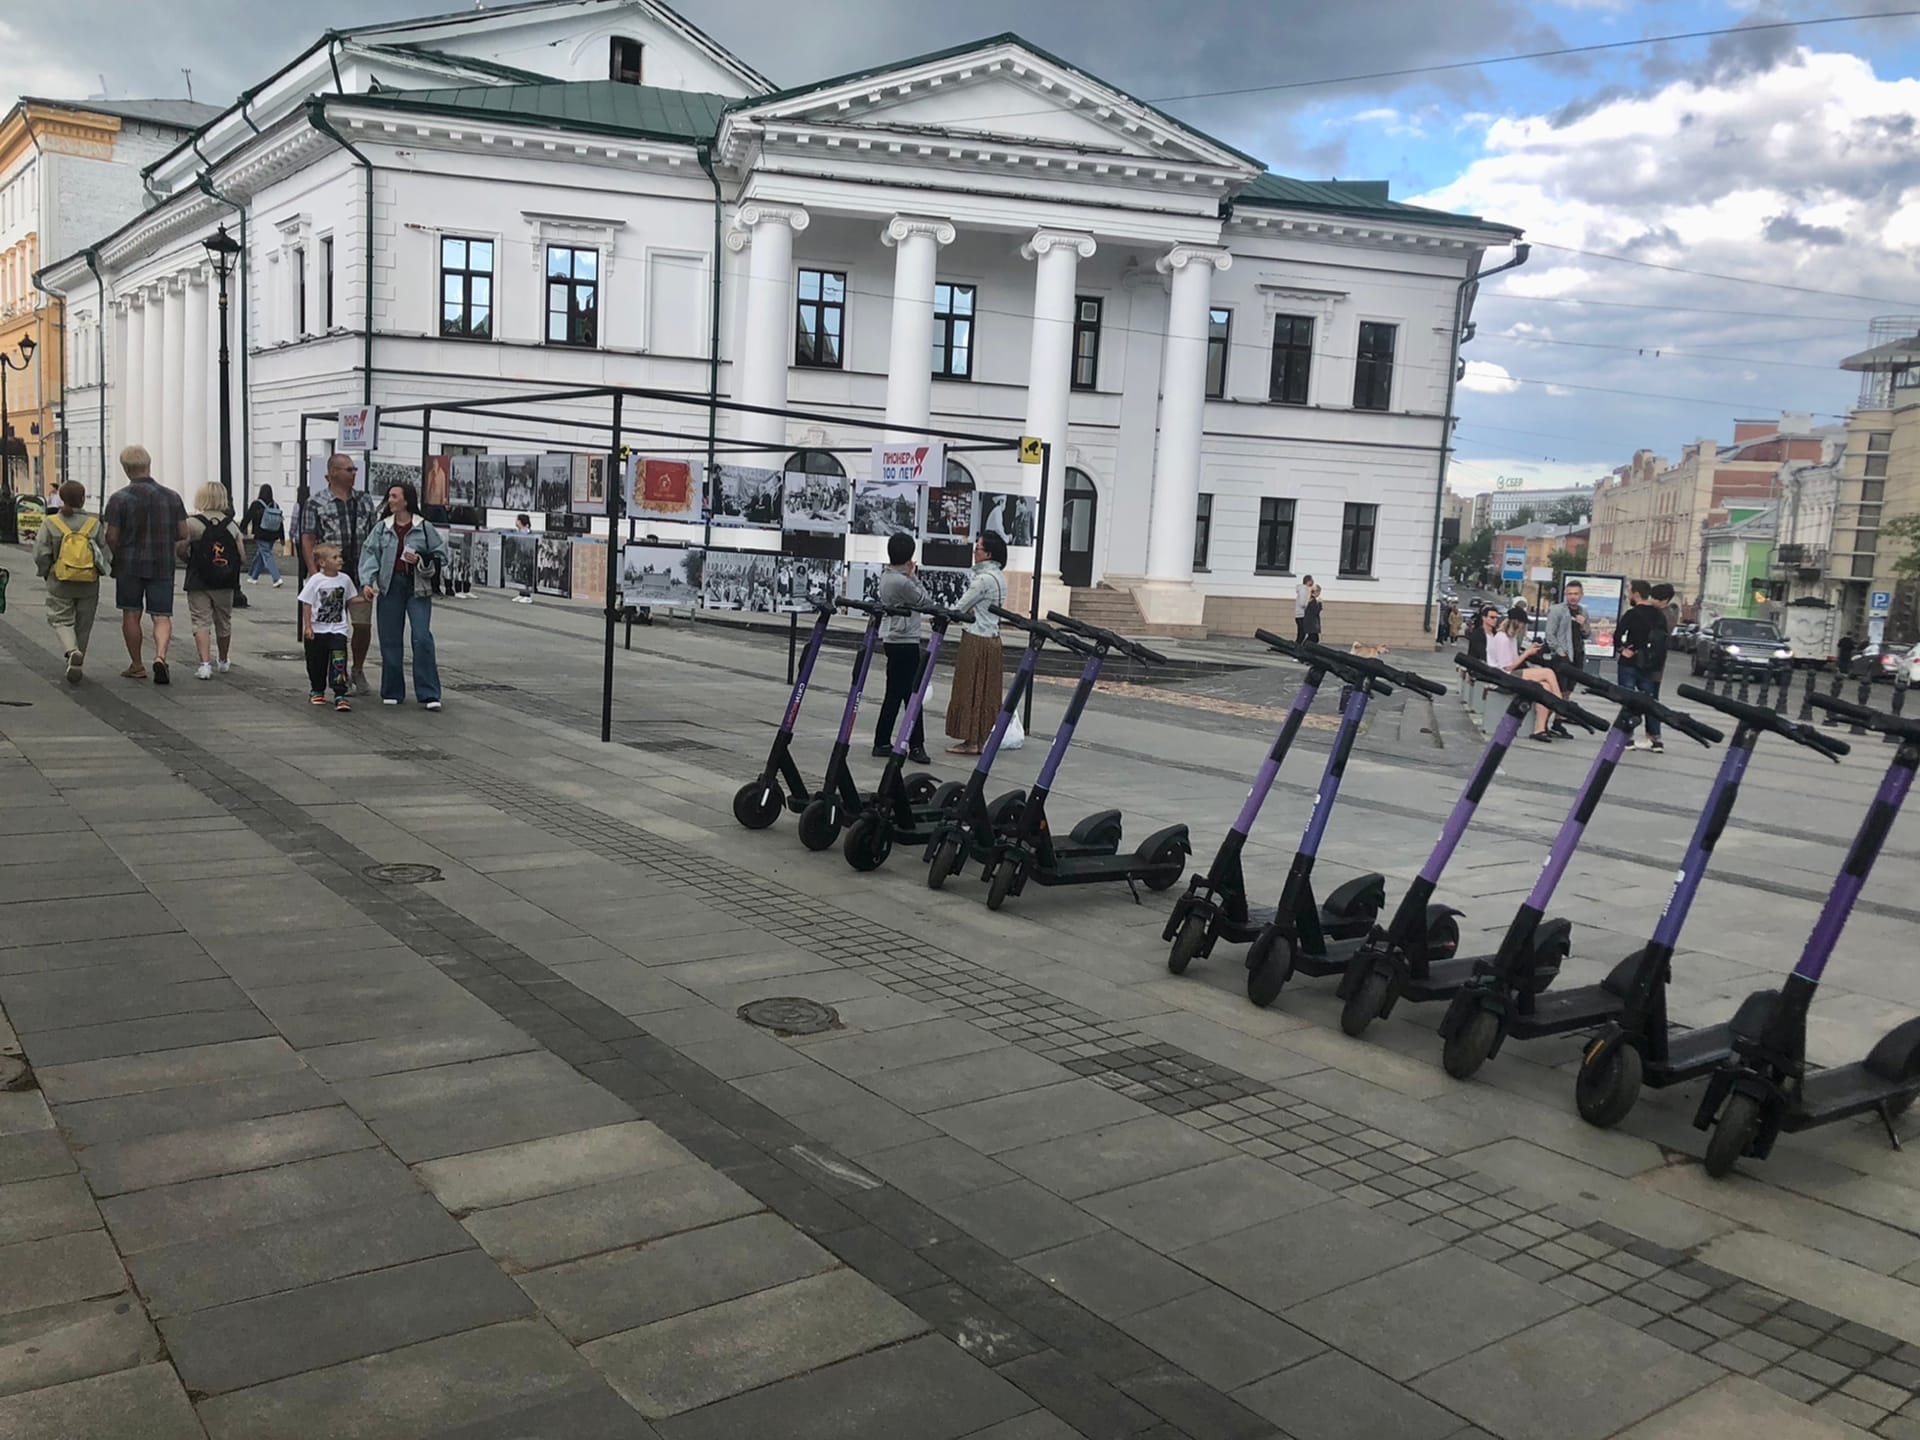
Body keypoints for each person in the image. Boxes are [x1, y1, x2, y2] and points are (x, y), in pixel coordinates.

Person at [103, 444, 190, 685]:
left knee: (131, 613)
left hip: (129, 564)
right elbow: (183, 532)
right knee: (161, 615)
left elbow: (111, 536)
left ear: (125, 469)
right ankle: (160, 657)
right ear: (148, 466)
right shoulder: (172, 497)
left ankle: (137, 665)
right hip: (162, 562)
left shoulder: (118, 499)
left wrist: (118, 552)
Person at [359, 479, 447, 709]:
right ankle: (392, 691)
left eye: (394, 496)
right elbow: (370, 554)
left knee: (422, 637)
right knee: (390, 639)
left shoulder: (423, 527)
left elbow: (441, 554)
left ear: (406, 500)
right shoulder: (382, 528)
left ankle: (429, 693)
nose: (390, 500)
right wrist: (367, 582)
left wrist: (420, 560)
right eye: (389, 496)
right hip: (390, 586)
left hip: (417, 587)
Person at [301, 453, 382, 694]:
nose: (354, 473)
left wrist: (373, 571)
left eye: (354, 469)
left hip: (359, 573)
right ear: (333, 473)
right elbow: (308, 537)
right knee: (331, 628)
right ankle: (336, 673)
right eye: (349, 469)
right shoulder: (316, 502)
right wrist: (315, 573)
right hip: (330, 575)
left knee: (362, 625)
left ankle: (357, 669)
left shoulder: (364, 500)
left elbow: (374, 536)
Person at [32, 480, 113, 685]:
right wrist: (102, 570)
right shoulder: (93, 524)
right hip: (88, 582)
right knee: (84, 624)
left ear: (61, 498)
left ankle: (71, 650)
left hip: (60, 580)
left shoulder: (51, 522)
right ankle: (78, 660)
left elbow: (41, 553)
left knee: (60, 618)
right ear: (83, 499)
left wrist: (46, 571)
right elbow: (104, 553)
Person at [944, 531, 1009, 755]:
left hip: (975, 638)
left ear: (988, 554)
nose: (974, 552)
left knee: (969, 688)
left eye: (978, 548)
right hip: (993, 638)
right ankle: (981, 739)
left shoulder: (982, 580)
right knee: (986, 692)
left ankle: (970, 740)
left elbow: (959, 608)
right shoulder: (999, 577)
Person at [873, 532, 933, 763]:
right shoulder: (902, 582)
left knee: (894, 693)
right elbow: (924, 601)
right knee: (912, 695)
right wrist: (914, 576)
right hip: (905, 640)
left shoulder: (887, 576)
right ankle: (916, 745)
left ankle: (882, 740)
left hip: (892, 639)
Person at [179, 482, 248, 680]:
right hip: (224, 581)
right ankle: (223, 660)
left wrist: (191, 560)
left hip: (198, 579)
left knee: (200, 620)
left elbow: (180, 549)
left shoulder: (192, 523)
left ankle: (204, 664)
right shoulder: (231, 525)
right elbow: (242, 557)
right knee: (223, 620)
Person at [1490, 606, 1569, 742]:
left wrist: (1529, 652)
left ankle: (1540, 729)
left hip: (1510, 674)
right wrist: (1527, 653)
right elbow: (1507, 667)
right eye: (1523, 624)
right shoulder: (1502, 638)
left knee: (1545, 687)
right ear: (1517, 623)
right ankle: (1560, 704)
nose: (1524, 627)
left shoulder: (1511, 638)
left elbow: (1514, 661)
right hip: (1505, 676)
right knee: (1548, 672)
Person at [298, 543, 357, 712]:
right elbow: (307, 603)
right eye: (335, 557)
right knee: (316, 661)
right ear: (322, 563)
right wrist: (308, 626)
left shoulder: (345, 580)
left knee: (339, 660)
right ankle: (317, 689)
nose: (340, 560)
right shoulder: (316, 580)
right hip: (318, 630)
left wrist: (364, 598)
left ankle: (340, 693)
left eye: (340, 557)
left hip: (338, 629)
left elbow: (350, 599)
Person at [1615, 580, 1667, 754]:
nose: (1629, 595)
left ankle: (1627, 737)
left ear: (1636, 594)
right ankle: (1656, 739)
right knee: (1650, 702)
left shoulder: (1632, 614)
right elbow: (1663, 642)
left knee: (1628, 699)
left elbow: (1617, 635)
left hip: (1630, 663)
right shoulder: (1659, 615)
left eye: (1630, 592)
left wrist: (1622, 650)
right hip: (1650, 665)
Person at [243, 483, 286, 587]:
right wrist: (282, 537)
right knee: (261, 555)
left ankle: (276, 578)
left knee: (266, 555)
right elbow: (280, 522)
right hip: (273, 535)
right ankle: (253, 576)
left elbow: (247, 517)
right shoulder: (275, 505)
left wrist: (241, 529)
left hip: (261, 534)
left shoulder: (256, 504)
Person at [1544, 580, 1588, 673]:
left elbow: (1587, 634)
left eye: (1576, 594)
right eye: (1570, 594)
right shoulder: (1557, 610)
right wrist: (1560, 651)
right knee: (1561, 681)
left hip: (1578, 655)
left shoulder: (1583, 611)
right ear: (1565, 594)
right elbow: (1549, 633)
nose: (1573, 597)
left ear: (1581, 595)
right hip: (1563, 655)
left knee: (1575, 681)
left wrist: (1583, 625)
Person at [512, 514, 534, 603]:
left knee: (527, 576)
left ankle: (528, 595)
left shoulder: (527, 533)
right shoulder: (518, 533)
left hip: (528, 558)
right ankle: (522, 593)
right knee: (521, 576)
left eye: (517, 520)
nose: (516, 522)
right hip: (521, 557)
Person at [1295, 574, 1316, 644]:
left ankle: (1298, 646)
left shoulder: (1306, 590)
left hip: (1303, 615)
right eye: (1311, 580)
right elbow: (1302, 604)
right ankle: (1297, 646)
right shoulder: (1303, 590)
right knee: (1302, 634)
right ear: (1308, 581)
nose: (1313, 582)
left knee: (1303, 634)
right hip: (1301, 615)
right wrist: (1308, 604)